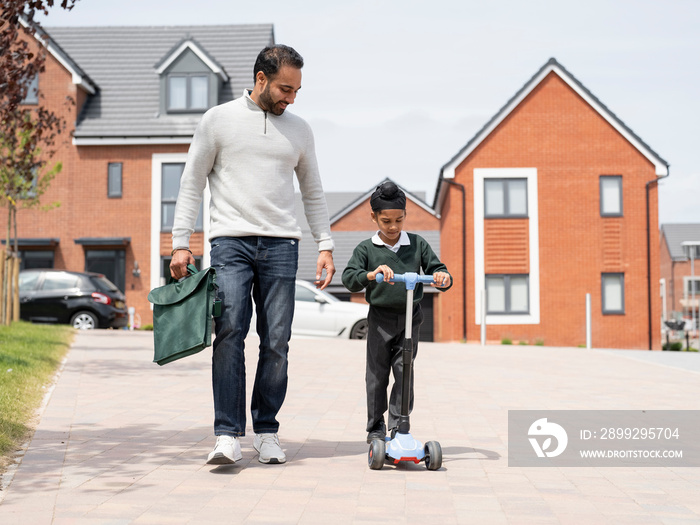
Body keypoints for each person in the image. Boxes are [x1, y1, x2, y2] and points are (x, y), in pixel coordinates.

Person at [170, 45, 335, 466]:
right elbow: (191, 183)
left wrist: (327, 245)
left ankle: (266, 431)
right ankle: (227, 434)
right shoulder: (218, 121)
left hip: (283, 244)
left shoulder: (300, 130)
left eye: (297, 91)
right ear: (260, 78)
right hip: (231, 243)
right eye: (284, 88)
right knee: (229, 333)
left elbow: (313, 191)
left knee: (277, 341)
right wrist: (180, 241)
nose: (291, 99)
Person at [342, 181, 452, 443]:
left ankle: (399, 424)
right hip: (380, 318)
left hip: (410, 317)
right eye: (386, 221)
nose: (393, 227)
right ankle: (376, 427)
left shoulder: (417, 244)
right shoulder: (366, 248)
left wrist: (442, 277)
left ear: (404, 217)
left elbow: (440, 270)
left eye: (398, 220)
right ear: (374, 217)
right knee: (377, 374)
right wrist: (372, 273)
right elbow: (349, 278)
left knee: (404, 371)